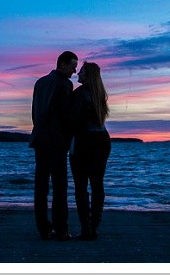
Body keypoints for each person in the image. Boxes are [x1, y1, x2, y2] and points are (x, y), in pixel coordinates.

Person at [29, 50, 78, 241]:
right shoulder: (65, 84)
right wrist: (68, 138)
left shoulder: (40, 82)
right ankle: (61, 229)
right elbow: (66, 115)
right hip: (56, 141)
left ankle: (43, 228)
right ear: (63, 64)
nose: (74, 71)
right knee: (60, 187)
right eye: (73, 67)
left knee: (41, 187)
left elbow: (35, 112)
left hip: (39, 139)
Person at [68, 61, 111, 240]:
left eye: (82, 71)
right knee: (97, 183)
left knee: (81, 185)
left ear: (88, 75)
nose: (78, 73)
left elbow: (71, 121)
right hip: (102, 139)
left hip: (84, 140)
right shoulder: (100, 94)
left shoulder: (79, 94)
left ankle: (86, 229)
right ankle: (94, 226)